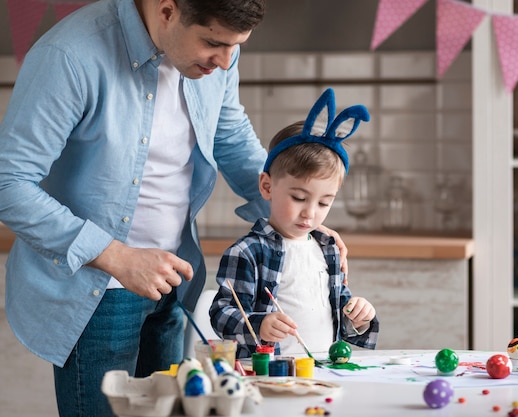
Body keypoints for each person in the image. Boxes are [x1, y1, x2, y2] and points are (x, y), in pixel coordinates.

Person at [0, 1, 345, 416]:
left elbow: (230, 138)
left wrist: (296, 222)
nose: (224, 61)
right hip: (98, 290)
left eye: (236, 47)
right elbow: (8, 183)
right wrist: (117, 256)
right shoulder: (70, 56)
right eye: (214, 44)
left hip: (175, 283)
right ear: (167, 11)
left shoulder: (218, 55)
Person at [210, 88, 380, 359]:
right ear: (267, 186)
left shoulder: (327, 248)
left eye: (324, 203)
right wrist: (259, 325)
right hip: (268, 374)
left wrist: (357, 317)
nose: (310, 214)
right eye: (299, 197)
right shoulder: (247, 252)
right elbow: (221, 314)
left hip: (324, 370)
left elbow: (338, 311)